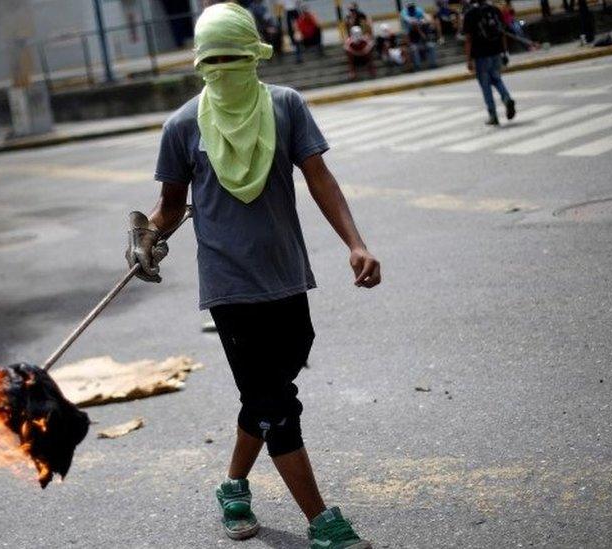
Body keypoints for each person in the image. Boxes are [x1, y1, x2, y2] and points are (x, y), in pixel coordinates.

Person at [126, 4, 380, 548]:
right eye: (211, 61)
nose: (222, 69)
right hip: (230, 287)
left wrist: (355, 243)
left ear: (255, 56)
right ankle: (322, 522)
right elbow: (170, 206)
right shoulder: (182, 126)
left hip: (287, 276)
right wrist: (148, 236)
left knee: (270, 392)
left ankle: (233, 484)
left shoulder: (286, 107)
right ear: (198, 64)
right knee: (275, 403)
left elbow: (320, 178)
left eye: (233, 58)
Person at [463, 0, 516, 125]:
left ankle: (493, 115)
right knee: (497, 79)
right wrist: (504, 52)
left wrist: (469, 60)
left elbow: (468, 39)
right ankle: (506, 98)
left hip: (480, 56)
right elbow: (502, 33)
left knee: (485, 86)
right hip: (496, 52)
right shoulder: (495, 10)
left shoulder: (470, 14)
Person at [402, 2, 438, 70]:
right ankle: (417, 67)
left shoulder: (422, 26)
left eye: (412, 8)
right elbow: (408, 38)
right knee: (414, 49)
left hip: (423, 43)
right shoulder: (409, 28)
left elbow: (425, 38)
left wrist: (419, 30)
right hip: (415, 44)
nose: (412, 9)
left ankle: (433, 64)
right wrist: (409, 45)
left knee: (431, 46)